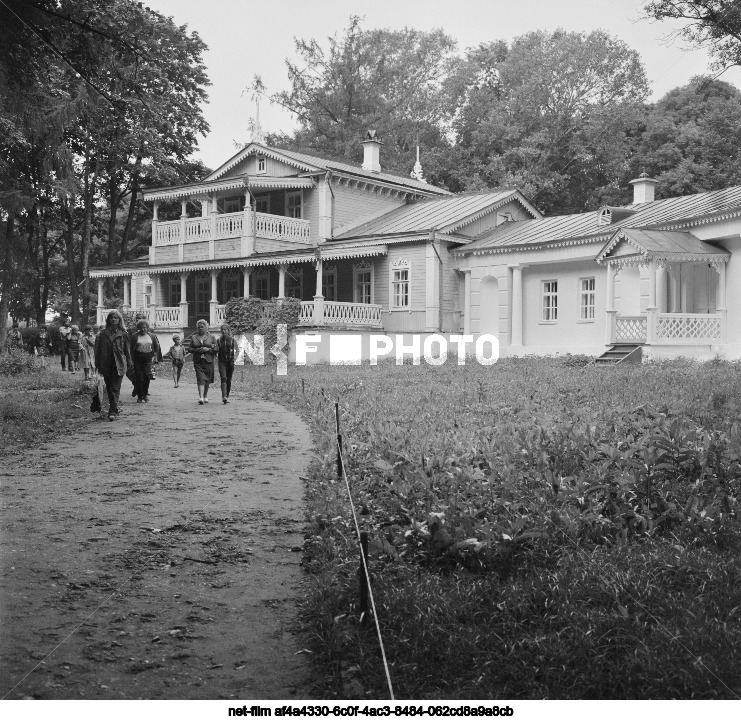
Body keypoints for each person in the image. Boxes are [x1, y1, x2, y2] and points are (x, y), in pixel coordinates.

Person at [94, 310, 132, 421]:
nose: (113, 319)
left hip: (118, 364)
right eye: (111, 318)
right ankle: (114, 408)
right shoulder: (102, 334)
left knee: (115, 388)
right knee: (110, 388)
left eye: (116, 318)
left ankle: (112, 411)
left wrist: (129, 363)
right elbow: (98, 350)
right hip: (106, 364)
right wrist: (97, 364)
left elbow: (127, 351)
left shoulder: (123, 334)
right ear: (108, 320)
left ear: (119, 320)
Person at [131, 319, 161, 403]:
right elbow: (131, 348)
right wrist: (131, 359)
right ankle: (140, 396)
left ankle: (145, 394)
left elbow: (156, 347)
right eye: (141, 328)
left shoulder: (152, 336)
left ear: (147, 327)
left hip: (148, 357)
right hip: (138, 357)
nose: (143, 329)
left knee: (147, 376)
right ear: (138, 328)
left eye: (144, 327)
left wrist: (154, 357)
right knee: (139, 377)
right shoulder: (134, 336)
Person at [189, 319, 216, 404]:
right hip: (198, 360)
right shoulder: (194, 337)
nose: (200, 329)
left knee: (207, 379)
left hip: (208, 361)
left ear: (206, 327)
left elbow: (216, 348)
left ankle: (205, 396)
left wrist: (208, 349)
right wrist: (197, 350)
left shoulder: (212, 337)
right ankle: (200, 397)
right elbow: (189, 349)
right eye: (199, 327)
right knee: (200, 378)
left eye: (202, 327)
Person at [216, 323, 238, 404]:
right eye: (222, 330)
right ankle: (224, 396)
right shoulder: (218, 340)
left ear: (228, 331)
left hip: (230, 362)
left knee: (229, 380)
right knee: (223, 378)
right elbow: (216, 350)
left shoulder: (232, 340)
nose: (223, 331)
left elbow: (238, 350)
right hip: (222, 362)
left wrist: (234, 359)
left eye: (225, 329)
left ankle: (227, 396)